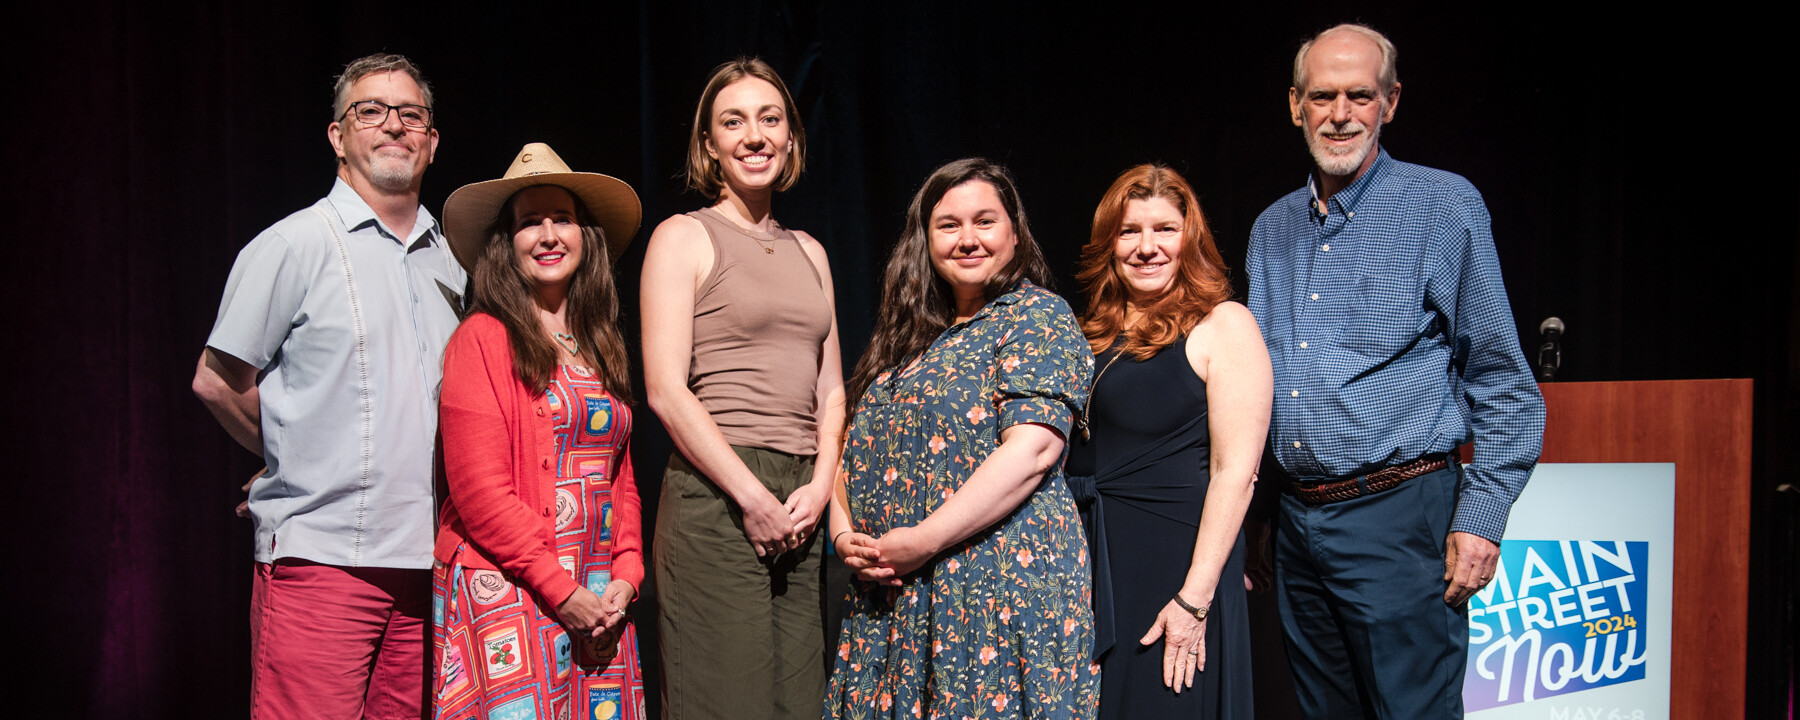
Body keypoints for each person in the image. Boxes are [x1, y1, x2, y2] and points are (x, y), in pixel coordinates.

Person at [1246, 23, 1546, 719]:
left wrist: (1484, 517)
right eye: (1323, 96)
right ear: (1296, 105)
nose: (1341, 113)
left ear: (1391, 101)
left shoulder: (1442, 206)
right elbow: (1264, 385)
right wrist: (1265, 515)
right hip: (1295, 525)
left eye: (1360, 94)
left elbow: (1503, 381)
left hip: (1399, 518)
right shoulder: (1272, 228)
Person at [191, 53, 459, 719]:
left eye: (411, 114)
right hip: (323, 559)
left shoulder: (452, 261)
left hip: (427, 564)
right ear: (339, 136)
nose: (393, 125)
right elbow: (216, 381)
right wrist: (294, 455)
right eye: (370, 111)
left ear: (431, 140)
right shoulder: (293, 245)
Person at [825, 158, 1099, 720]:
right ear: (924, 240)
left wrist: (923, 540)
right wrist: (842, 533)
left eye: (985, 221)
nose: (967, 239)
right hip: (892, 599)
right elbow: (853, 449)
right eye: (948, 225)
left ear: (1015, 234)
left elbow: (1034, 449)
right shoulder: (907, 341)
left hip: (991, 593)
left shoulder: (1036, 316)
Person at [639, 57, 843, 719]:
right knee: (725, 703)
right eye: (734, 122)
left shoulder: (810, 251)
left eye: (769, 119)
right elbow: (667, 389)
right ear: (710, 146)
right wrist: (751, 495)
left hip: (801, 494)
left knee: (799, 703)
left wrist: (818, 486)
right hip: (720, 491)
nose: (754, 135)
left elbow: (832, 390)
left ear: (790, 138)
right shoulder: (684, 237)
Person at [431, 143, 645, 720]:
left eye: (563, 219)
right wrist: (561, 590)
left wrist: (626, 575)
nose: (548, 235)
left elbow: (618, 474)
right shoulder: (482, 337)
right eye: (530, 222)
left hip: (597, 589)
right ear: (508, 243)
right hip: (512, 582)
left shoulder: (599, 343)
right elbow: (479, 493)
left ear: (586, 236)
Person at [1066, 164, 1270, 719]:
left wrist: (1194, 599)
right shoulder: (1086, 335)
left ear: (1190, 239)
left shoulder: (1223, 325)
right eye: (1130, 231)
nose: (1146, 247)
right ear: (1109, 243)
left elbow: (1237, 471)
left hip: (1175, 575)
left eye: (1165, 229)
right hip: (1089, 567)